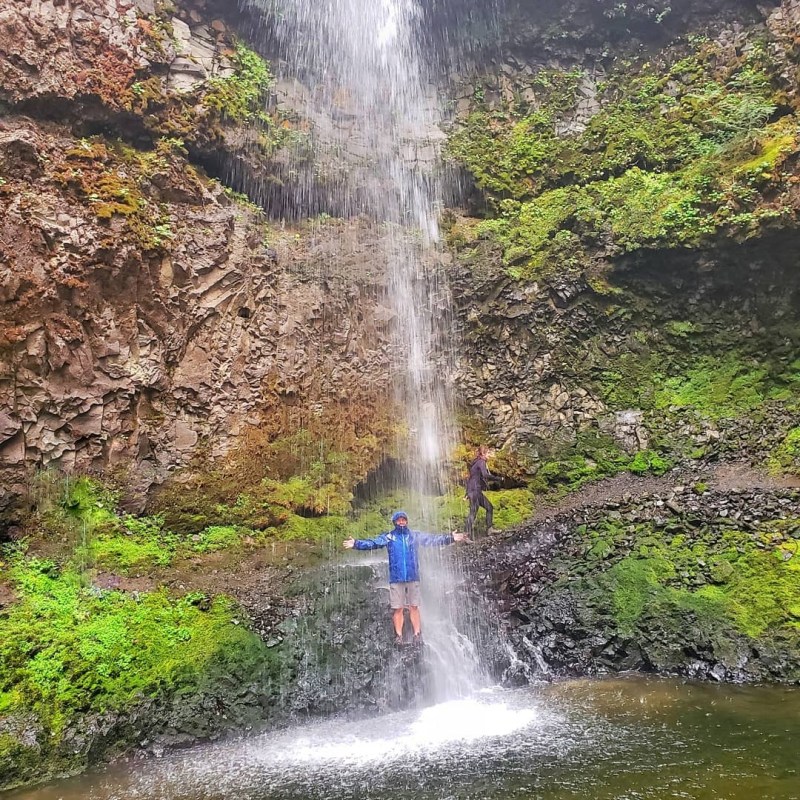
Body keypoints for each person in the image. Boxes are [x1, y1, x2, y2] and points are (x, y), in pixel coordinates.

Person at [343, 511, 466, 647]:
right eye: (399, 520)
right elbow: (372, 543)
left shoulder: (414, 536)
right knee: (398, 608)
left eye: (403, 520)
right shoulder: (389, 537)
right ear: (395, 522)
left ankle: (417, 634)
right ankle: (399, 636)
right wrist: (356, 544)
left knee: (414, 606)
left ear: (407, 521)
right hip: (396, 578)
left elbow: (432, 540)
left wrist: (450, 538)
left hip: (412, 576)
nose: (401, 522)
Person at [465, 445, 496, 536]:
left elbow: (471, 478)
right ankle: (465, 534)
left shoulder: (476, 462)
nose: (489, 455)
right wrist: (498, 478)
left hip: (474, 491)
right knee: (474, 512)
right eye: (488, 453)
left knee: (488, 507)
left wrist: (467, 493)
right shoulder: (481, 462)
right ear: (483, 453)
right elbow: (485, 475)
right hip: (475, 491)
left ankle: (489, 529)